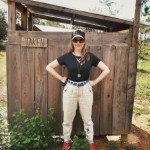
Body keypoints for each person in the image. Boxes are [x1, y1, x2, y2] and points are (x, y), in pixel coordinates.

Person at [46, 29, 110, 150]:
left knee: (87, 119)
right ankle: (66, 141)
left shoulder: (90, 57)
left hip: (85, 90)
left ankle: (90, 142)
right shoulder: (67, 57)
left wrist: (95, 82)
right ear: (72, 41)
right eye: (76, 40)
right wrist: (61, 78)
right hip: (70, 89)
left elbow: (106, 69)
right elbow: (48, 67)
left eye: (81, 40)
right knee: (67, 119)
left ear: (84, 41)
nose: (78, 42)